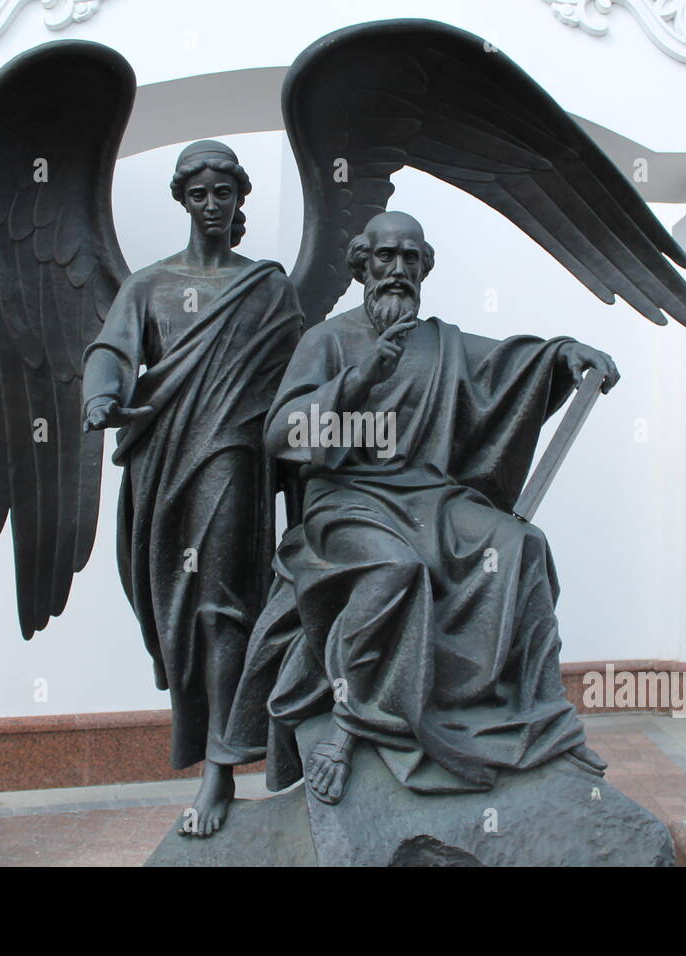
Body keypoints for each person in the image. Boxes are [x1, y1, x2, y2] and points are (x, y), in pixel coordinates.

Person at [211, 211, 614, 804]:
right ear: (361, 265)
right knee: (395, 570)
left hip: (427, 498)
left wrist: (566, 356)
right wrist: (359, 377)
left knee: (523, 546)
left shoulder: (439, 343)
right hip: (345, 502)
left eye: (410, 259)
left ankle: (547, 720)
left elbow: (508, 364)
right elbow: (283, 435)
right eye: (385, 258)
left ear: (424, 268)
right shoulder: (327, 340)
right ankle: (350, 728)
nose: (397, 271)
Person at [82, 141, 302, 833]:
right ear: (184, 200)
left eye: (223, 193)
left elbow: (299, 384)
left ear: (240, 199)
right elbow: (112, 351)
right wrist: (102, 398)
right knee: (179, 615)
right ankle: (217, 756)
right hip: (163, 467)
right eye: (199, 193)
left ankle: (219, 773)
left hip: (232, 460)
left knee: (221, 609)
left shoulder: (266, 287)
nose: (212, 204)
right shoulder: (148, 286)